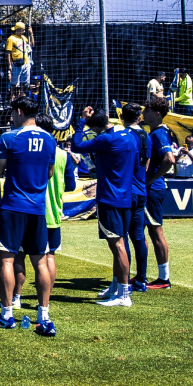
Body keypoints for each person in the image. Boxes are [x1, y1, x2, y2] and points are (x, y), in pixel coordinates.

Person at [0, 97, 57, 333]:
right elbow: (49, 172)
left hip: (13, 206)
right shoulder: (50, 139)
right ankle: (44, 316)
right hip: (37, 208)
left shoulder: (10, 137)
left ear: (19, 111)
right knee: (40, 261)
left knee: (6, 259)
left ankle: (7, 314)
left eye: (12, 113)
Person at [71, 105, 139, 308]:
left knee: (117, 245)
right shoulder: (130, 136)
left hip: (110, 197)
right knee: (118, 243)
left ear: (97, 126)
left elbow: (76, 145)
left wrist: (82, 121)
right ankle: (118, 285)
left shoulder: (106, 139)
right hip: (126, 196)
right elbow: (136, 166)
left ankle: (124, 293)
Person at [141, 97, 175, 290]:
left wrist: (150, 179)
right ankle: (145, 275)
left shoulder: (159, 134)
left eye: (147, 110)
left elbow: (169, 160)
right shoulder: (155, 133)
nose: (144, 113)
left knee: (155, 230)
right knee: (150, 231)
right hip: (153, 187)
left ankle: (164, 279)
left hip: (153, 189)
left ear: (157, 114)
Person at [119, 104, 151, 291]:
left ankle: (124, 280)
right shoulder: (146, 136)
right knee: (138, 236)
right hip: (141, 190)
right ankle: (141, 279)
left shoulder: (125, 136)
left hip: (126, 191)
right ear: (139, 117)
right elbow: (146, 163)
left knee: (122, 237)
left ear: (122, 117)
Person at [6, 22, 34, 90]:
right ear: (18, 30)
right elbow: (8, 52)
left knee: (23, 83)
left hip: (26, 62)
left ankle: (22, 96)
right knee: (14, 83)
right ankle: (12, 98)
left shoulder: (23, 38)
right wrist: (9, 64)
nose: (24, 31)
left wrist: (31, 34)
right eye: (23, 30)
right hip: (16, 63)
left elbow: (32, 44)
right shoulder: (11, 38)